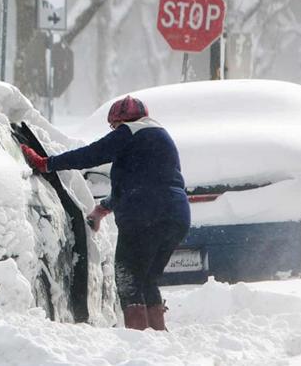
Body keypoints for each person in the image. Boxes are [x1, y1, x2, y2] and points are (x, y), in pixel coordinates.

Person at [20, 95, 190, 331]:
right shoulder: (161, 135)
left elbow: (90, 154)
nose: (113, 131)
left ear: (119, 122)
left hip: (144, 215)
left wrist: (46, 164)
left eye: (113, 126)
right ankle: (159, 337)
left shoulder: (129, 132)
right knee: (147, 279)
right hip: (177, 215)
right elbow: (147, 183)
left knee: (128, 279)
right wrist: (102, 209)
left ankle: (140, 338)